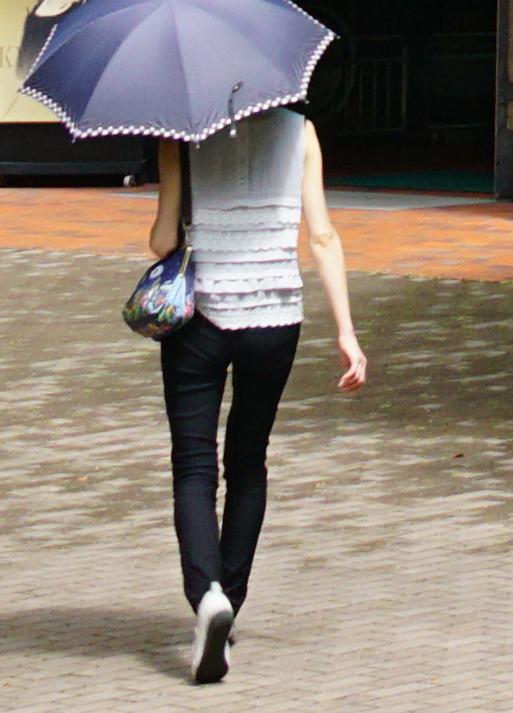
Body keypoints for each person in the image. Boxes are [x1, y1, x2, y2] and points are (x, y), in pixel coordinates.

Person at [145, 95, 366, 686]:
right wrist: (346, 332)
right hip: (275, 320)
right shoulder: (301, 132)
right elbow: (322, 236)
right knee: (248, 461)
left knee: (194, 464)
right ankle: (231, 603)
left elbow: (163, 240)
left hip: (201, 320)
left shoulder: (180, 136)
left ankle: (207, 596)